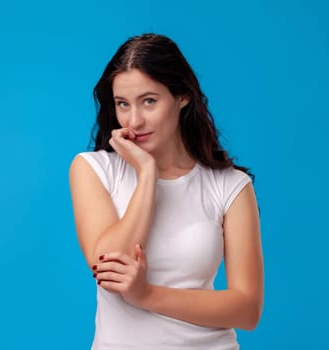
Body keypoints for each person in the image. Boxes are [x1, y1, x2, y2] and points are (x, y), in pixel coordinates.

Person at [69, 33, 263, 349]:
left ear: (182, 96)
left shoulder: (230, 186)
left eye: (149, 101)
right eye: (122, 104)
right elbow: (109, 266)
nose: (134, 120)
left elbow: (247, 309)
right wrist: (147, 175)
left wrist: (146, 294)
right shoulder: (94, 169)